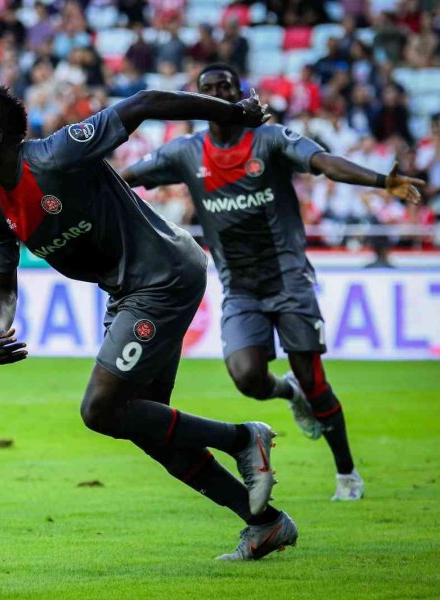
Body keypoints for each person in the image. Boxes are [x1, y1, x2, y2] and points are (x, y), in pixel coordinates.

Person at [0, 85, 295, 561]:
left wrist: (233, 112)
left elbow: (145, 102)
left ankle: (242, 438)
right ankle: (264, 523)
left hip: (163, 274)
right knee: (148, 427)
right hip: (129, 291)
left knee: (100, 409)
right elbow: (1, 287)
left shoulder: (54, 155)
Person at [121, 63, 425, 502]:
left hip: (289, 279)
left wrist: (381, 181)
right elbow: (124, 178)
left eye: (226, 87)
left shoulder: (271, 139)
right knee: (246, 377)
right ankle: (288, 392)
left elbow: (324, 162)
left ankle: (347, 473)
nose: (218, 94)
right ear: (197, 100)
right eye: (209, 89)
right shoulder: (185, 152)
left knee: (315, 381)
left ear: (240, 93)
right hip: (239, 286)